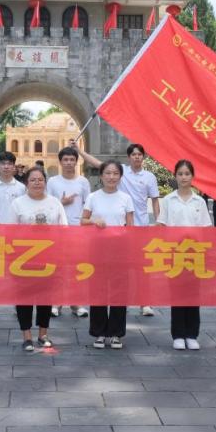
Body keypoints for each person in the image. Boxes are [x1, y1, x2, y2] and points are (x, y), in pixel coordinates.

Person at [74, 141, 160, 316]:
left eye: (140, 154)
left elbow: (155, 201)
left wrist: (159, 222)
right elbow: (98, 163)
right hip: (119, 231)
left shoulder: (149, 177)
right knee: (119, 269)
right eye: (134, 154)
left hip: (141, 227)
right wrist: (79, 151)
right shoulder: (121, 172)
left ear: (143, 157)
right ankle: (121, 300)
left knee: (142, 268)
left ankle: (145, 303)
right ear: (129, 157)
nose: (137, 157)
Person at [7, 166, 67, 351]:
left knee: (45, 297)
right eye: (32, 180)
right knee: (23, 297)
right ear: (26, 183)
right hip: (24, 258)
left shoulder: (55, 203)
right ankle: (26, 336)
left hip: (48, 257)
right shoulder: (18, 203)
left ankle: (43, 334)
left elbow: (64, 228)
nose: (37, 183)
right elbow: (10, 231)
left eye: (40, 179)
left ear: (45, 182)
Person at [156, 160, 211, 351]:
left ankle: (192, 334)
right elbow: (162, 225)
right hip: (175, 253)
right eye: (180, 174)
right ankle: (178, 334)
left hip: (195, 253)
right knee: (177, 294)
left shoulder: (199, 201)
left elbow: (206, 228)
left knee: (193, 294)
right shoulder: (168, 200)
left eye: (187, 173)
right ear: (175, 176)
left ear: (192, 176)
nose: (184, 177)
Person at [82, 160, 134, 349]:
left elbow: (131, 226)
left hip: (120, 250)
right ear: (101, 175)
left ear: (120, 177)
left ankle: (116, 333)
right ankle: (99, 332)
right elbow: (82, 221)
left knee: (119, 291)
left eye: (115, 173)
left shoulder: (126, 198)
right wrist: (94, 221)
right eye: (108, 173)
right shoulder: (93, 197)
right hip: (97, 249)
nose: (111, 177)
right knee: (98, 290)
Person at [47, 146, 92, 318]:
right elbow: (47, 204)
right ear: (60, 162)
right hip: (57, 230)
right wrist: (61, 202)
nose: (68, 163)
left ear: (76, 161)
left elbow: (88, 206)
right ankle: (56, 303)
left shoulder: (83, 182)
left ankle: (76, 303)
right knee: (57, 268)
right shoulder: (53, 182)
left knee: (76, 268)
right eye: (65, 159)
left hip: (77, 230)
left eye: (72, 159)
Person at [0, 151, 27, 319]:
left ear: (14, 166)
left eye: (10, 163)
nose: (7, 167)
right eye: (3, 163)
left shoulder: (21, 188)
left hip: (16, 235)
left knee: (17, 271)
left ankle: (18, 303)